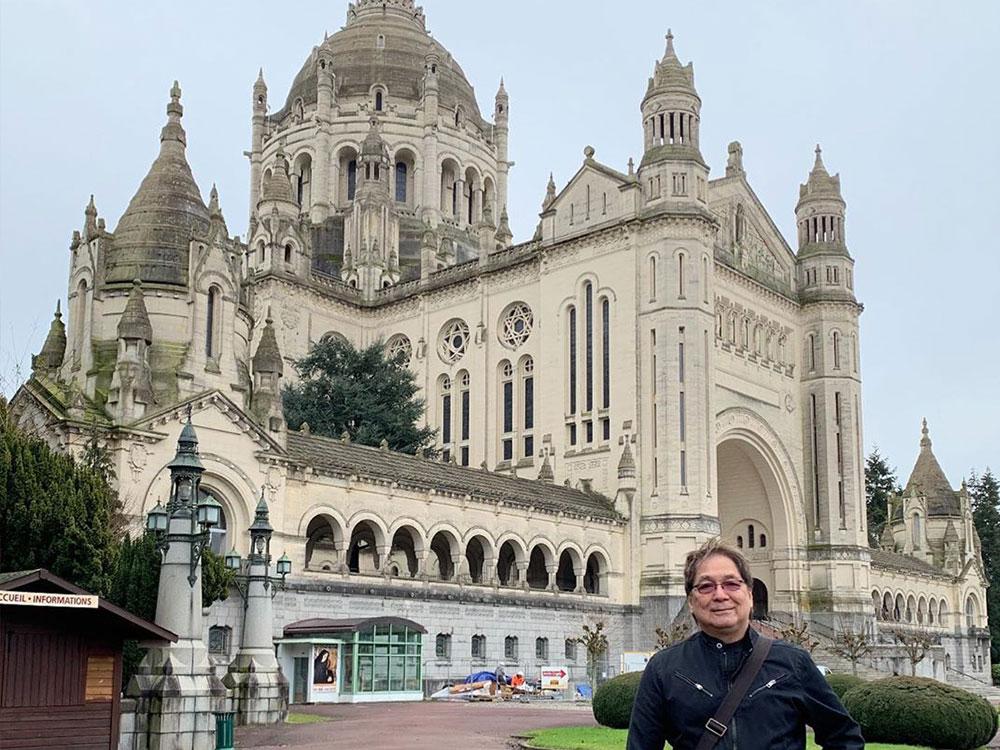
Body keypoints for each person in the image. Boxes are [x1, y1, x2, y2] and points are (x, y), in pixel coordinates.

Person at [627, 540, 864, 749]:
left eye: (731, 584)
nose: (720, 595)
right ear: (691, 601)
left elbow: (844, 737)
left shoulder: (792, 663)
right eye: (706, 586)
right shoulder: (665, 669)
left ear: (749, 595)